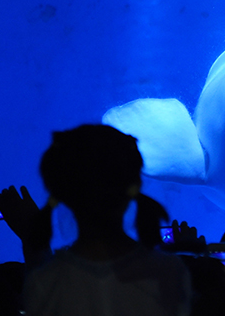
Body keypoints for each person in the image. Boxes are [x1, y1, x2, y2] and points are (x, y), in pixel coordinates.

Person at [21, 124, 192, 316]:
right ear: (134, 186)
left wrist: (28, 238)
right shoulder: (170, 271)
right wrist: (189, 253)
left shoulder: (44, 282)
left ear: (61, 194)